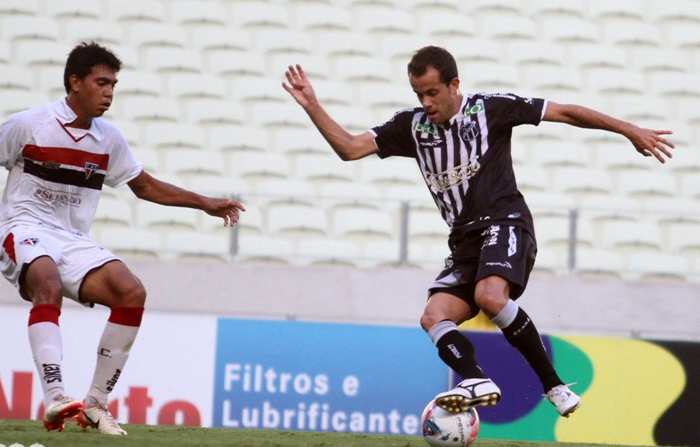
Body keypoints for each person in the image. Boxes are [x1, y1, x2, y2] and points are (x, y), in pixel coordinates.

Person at [282, 46, 674, 417]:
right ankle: (474, 379)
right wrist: (313, 106)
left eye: (433, 93)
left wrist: (628, 129)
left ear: (454, 85)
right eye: (419, 94)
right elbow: (350, 148)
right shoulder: (413, 127)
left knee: (489, 295)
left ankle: (553, 386)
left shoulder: (491, 109)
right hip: (464, 239)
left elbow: (565, 112)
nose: (426, 103)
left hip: (505, 221)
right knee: (433, 316)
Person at [0, 42, 245, 435]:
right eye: (101, 83)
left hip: (71, 239)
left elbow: (145, 187)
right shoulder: (28, 124)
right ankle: (56, 396)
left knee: (131, 292)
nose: (109, 92)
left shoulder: (108, 139)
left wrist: (203, 202)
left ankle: (95, 404)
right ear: (75, 82)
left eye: (113, 85)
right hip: (22, 228)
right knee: (48, 284)